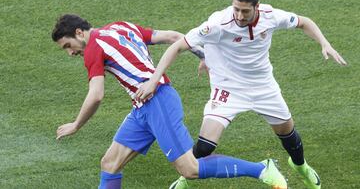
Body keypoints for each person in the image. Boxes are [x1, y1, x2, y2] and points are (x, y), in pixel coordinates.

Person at [135, 0, 347, 189]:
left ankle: (301, 167)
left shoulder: (270, 16)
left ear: (257, 6)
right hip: (228, 88)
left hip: (263, 86)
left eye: (245, 11)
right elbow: (178, 45)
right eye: (236, 9)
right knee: (205, 146)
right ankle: (186, 177)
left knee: (288, 134)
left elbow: (303, 22)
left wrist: (324, 43)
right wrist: (154, 80)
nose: (239, 15)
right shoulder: (219, 23)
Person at [52, 14, 289, 189]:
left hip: (158, 103)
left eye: (68, 46)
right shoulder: (121, 27)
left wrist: (76, 125)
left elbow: (96, 94)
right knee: (110, 163)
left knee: (190, 169)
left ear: (80, 33)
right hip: (142, 108)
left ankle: (261, 169)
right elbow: (175, 37)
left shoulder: (93, 48)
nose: (70, 53)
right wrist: (203, 55)